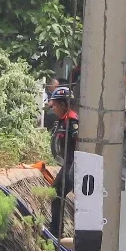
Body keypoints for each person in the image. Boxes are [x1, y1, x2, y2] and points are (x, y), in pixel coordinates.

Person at [48, 86, 79, 234]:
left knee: (56, 192)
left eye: (55, 104)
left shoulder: (71, 121)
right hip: (66, 163)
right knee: (56, 193)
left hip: (72, 164)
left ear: (63, 104)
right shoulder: (62, 121)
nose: (53, 107)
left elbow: (78, 142)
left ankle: (56, 231)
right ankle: (56, 229)